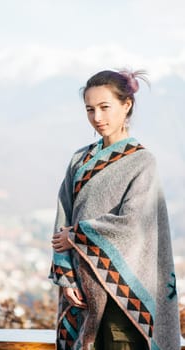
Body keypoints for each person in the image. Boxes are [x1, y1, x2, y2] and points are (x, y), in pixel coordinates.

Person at [49, 69, 180, 350]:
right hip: (83, 292)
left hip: (125, 295)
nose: (97, 117)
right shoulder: (79, 160)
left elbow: (133, 224)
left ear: (126, 105)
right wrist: (65, 277)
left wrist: (77, 234)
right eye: (90, 109)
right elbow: (63, 217)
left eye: (105, 107)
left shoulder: (142, 162)